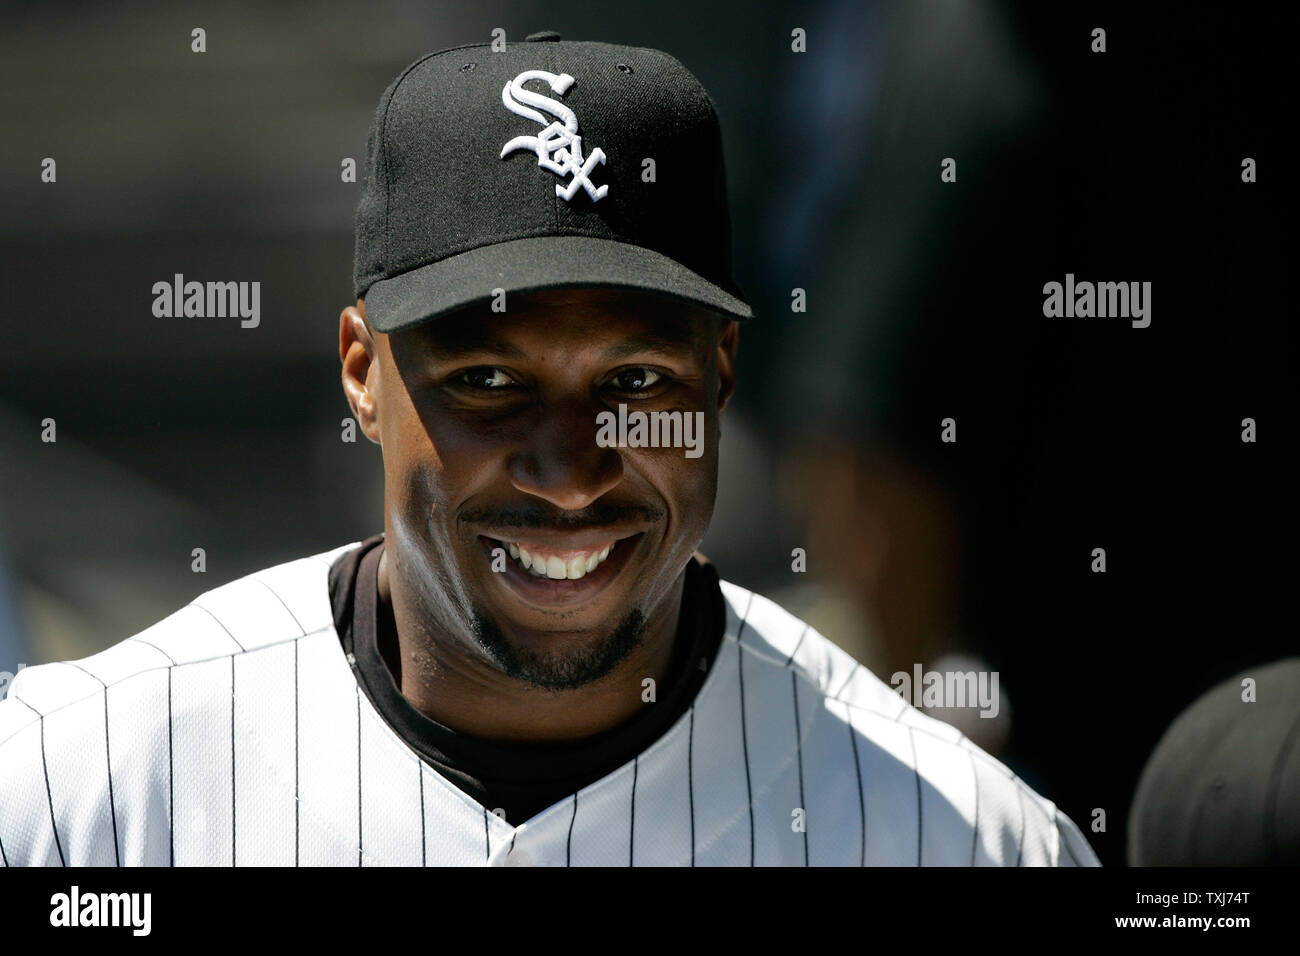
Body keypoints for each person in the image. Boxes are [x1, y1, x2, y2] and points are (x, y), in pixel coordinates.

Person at [0, 34, 1098, 867]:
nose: (569, 470)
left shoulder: (960, 837)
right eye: (488, 381)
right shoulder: (76, 782)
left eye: (634, 382)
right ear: (360, 372)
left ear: (720, 372)